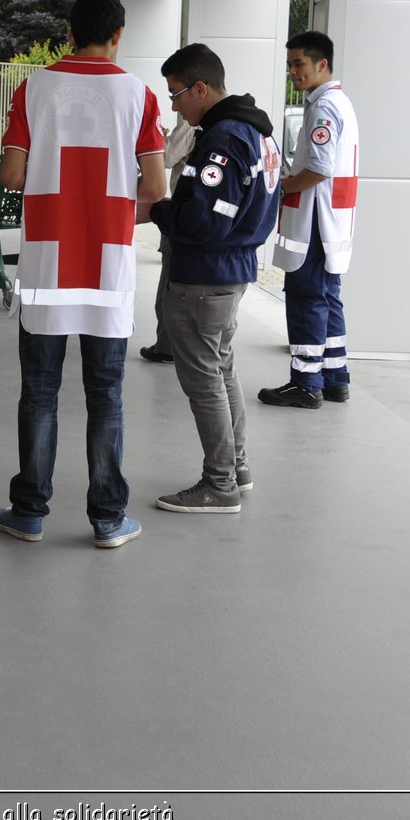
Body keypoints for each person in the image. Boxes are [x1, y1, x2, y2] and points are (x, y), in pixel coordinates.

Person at [0, 0, 166, 548]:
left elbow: (12, 176)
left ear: (68, 34)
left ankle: (29, 511)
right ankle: (109, 519)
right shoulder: (140, 95)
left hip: (45, 265)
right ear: (118, 36)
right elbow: (156, 187)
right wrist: (106, 209)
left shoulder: (34, 87)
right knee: (106, 392)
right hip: (109, 269)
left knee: (39, 388)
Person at [148, 44, 282, 513]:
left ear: (201, 88)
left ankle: (219, 483)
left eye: (177, 94)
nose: (174, 106)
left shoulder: (223, 140)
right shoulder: (258, 133)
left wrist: (158, 210)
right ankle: (236, 468)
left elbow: (203, 222)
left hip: (205, 276)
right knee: (221, 371)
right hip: (233, 271)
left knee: (204, 379)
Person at [259, 30, 360, 409]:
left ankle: (305, 382)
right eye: (289, 65)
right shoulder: (341, 102)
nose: (292, 72)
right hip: (334, 217)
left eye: (298, 64)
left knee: (306, 297)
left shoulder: (321, 107)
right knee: (329, 297)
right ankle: (335, 378)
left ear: (322, 64)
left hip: (316, 219)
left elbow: (318, 168)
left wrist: (283, 187)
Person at [138, 113, 198, 363]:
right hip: (194, 217)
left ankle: (166, 346)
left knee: (169, 283)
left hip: (180, 213)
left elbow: (164, 158)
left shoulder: (190, 123)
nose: (174, 103)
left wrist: (154, 140)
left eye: (176, 93)